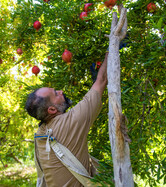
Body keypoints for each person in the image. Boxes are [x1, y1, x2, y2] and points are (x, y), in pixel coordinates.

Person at [25, 52, 108, 186]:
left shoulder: (41, 133)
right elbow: (102, 80)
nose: (61, 91)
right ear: (52, 110)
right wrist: (110, 51)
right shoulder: (69, 123)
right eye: (56, 93)